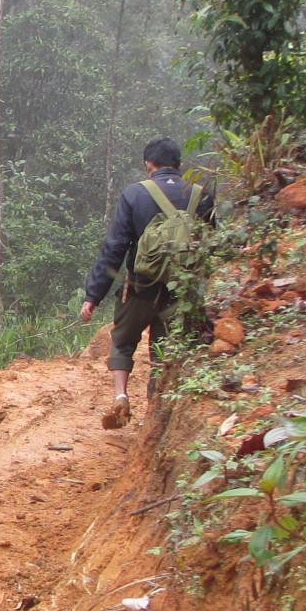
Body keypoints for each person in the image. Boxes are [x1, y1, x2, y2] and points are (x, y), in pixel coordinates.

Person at [79, 137, 216, 429]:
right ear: (179, 166)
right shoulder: (201, 195)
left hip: (139, 287)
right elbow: (211, 247)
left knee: (123, 340)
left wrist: (94, 295)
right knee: (164, 351)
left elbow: (114, 248)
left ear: (148, 165)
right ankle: (156, 410)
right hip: (182, 290)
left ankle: (120, 395)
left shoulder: (134, 194)